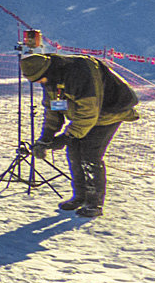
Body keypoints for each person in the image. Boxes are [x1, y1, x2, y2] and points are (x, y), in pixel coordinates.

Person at [20, 53, 139, 217]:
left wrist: (66, 137)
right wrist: (46, 138)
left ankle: (94, 204)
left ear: (46, 72)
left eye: (39, 79)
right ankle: (80, 197)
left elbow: (89, 113)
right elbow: (54, 108)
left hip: (108, 113)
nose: (39, 83)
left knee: (89, 155)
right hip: (85, 116)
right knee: (74, 152)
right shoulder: (50, 78)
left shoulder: (79, 73)